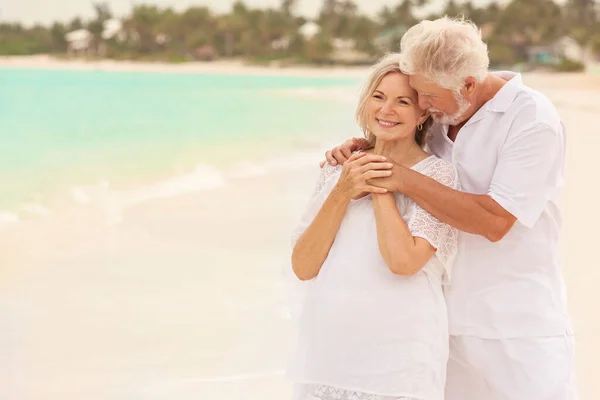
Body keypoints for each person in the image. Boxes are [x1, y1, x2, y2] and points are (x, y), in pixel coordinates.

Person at [324, 17, 577, 400]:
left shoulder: (532, 119)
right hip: (438, 322)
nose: (423, 106)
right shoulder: (444, 114)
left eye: (429, 96)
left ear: (469, 85)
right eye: (419, 95)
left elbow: (494, 221)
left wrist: (395, 175)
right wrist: (366, 148)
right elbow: (408, 145)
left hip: (516, 325)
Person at [287, 53, 459, 400]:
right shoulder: (338, 169)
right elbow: (303, 267)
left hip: (400, 362)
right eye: (378, 97)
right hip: (328, 355)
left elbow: (403, 262)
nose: (387, 110)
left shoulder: (439, 176)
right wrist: (344, 190)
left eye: (403, 102)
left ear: (423, 112)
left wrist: (380, 181)